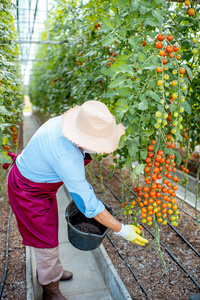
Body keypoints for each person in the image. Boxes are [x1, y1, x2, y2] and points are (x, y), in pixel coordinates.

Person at [6, 100, 148, 300]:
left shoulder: (62, 127)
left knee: (49, 232)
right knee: (44, 240)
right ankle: (51, 291)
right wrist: (123, 230)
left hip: (38, 184)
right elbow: (89, 205)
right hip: (28, 192)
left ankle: (52, 272)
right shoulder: (66, 156)